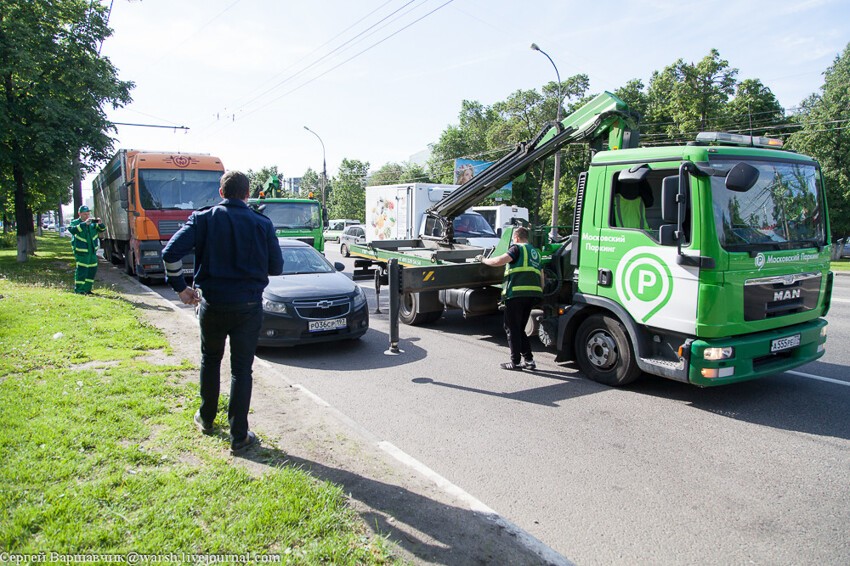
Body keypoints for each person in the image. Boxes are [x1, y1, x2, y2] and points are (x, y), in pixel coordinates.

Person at [162, 171, 284, 453]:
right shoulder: (262, 223)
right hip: (248, 307)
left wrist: (180, 288)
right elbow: (276, 268)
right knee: (242, 370)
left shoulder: (203, 218)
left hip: (212, 305)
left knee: (210, 360)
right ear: (247, 193)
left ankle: (206, 419)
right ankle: (239, 436)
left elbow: (170, 253)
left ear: (221, 192)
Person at [479, 226, 544, 371]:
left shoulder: (517, 249)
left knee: (511, 328)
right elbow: (542, 276)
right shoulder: (535, 253)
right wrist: (540, 292)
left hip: (516, 294)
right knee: (520, 328)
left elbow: (499, 261)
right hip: (532, 295)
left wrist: (484, 260)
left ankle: (515, 362)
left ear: (516, 237)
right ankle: (529, 360)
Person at [68, 205, 106, 295]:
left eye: (88, 214)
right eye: (85, 214)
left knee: (92, 270)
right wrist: (84, 224)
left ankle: (87, 289)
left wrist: (100, 223)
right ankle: (79, 290)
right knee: (82, 270)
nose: (87, 216)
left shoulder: (92, 223)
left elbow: (102, 229)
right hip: (81, 252)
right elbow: (72, 230)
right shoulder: (75, 222)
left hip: (92, 252)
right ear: (79, 214)